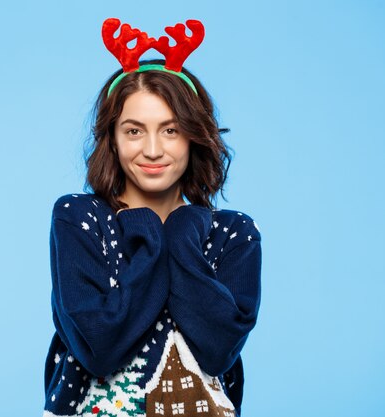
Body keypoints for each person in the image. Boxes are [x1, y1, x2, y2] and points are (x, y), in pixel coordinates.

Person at [43, 18, 262, 417]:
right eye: (134, 131)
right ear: (111, 137)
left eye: (171, 130)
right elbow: (98, 348)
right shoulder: (79, 219)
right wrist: (147, 233)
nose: (153, 149)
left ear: (195, 136)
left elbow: (217, 349)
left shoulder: (234, 234)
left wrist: (179, 232)